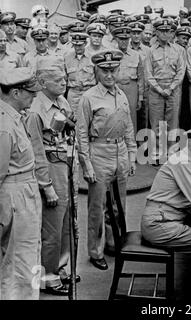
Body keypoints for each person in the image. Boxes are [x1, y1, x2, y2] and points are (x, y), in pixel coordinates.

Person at [76, 49, 137, 270]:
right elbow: (81, 134)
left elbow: (128, 126)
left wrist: (131, 155)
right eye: (104, 71)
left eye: (113, 70)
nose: (109, 75)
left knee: (119, 204)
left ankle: (115, 243)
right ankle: (95, 251)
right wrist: (87, 164)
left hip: (119, 150)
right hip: (99, 152)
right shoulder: (88, 98)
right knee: (97, 207)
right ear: (96, 71)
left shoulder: (121, 94)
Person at [25, 56, 78, 295]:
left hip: (65, 167)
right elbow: (36, 152)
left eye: (64, 78)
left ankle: (61, 268)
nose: (63, 83)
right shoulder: (35, 111)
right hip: (49, 169)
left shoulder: (61, 100)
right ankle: (47, 277)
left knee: (67, 223)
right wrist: (45, 186)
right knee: (51, 230)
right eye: (57, 80)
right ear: (43, 83)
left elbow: (68, 129)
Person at [0, 67, 42, 300]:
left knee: (26, 258)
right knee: (20, 264)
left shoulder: (14, 118)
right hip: (16, 197)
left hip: (23, 192)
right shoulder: (4, 125)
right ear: (15, 93)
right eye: (30, 92)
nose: (34, 96)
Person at [145, 18, 186, 163]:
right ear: (156, 32)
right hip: (156, 90)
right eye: (161, 31)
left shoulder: (178, 50)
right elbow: (148, 74)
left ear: (172, 33)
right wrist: (159, 89)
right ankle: (157, 154)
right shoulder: (150, 51)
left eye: (168, 31)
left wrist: (171, 88)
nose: (164, 34)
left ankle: (171, 153)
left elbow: (181, 71)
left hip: (173, 89)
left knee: (172, 123)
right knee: (156, 124)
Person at [113, 26, 144, 135]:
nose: (124, 42)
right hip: (115, 88)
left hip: (131, 90)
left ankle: (132, 146)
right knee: (115, 117)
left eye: (126, 39)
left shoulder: (136, 55)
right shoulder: (111, 54)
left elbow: (141, 78)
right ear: (116, 39)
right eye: (121, 39)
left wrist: (140, 98)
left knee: (131, 118)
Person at [64, 32, 96, 117]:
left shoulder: (92, 57)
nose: (77, 48)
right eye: (75, 45)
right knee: (72, 119)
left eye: (80, 45)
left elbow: (97, 77)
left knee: (89, 117)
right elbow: (64, 78)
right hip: (73, 93)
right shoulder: (67, 57)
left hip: (88, 92)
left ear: (85, 43)